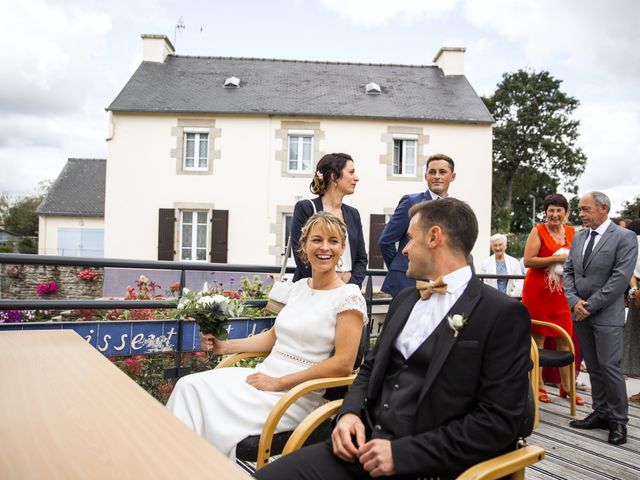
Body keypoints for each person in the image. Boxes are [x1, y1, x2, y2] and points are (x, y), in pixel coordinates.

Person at [254, 198, 531, 480]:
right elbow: (369, 369)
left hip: (429, 467)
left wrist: (403, 455)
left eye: (409, 238)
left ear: (434, 237)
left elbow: (498, 421)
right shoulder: (405, 299)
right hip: (356, 452)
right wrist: (349, 414)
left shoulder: (502, 314)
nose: (405, 249)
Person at [167, 212, 368, 458]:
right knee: (188, 386)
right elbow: (273, 337)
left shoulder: (349, 296)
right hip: (263, 377)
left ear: (342, 248)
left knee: (201, 403)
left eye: (333, 241)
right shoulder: (298, 289)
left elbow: (343, 364)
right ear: (304, 247)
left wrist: (279, 383)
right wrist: (225, 346)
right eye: (317, 240)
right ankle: (179, 465)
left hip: (296, 394)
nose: (325, 247)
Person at [564, 192, 638, 446]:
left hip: (606, 313)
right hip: (580, 313)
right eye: (580, 210)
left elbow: (620, 278)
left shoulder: (625, 237)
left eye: (585, 209)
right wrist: (574, 302)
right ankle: (601, 412)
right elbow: (569, 271)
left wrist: (590, 305)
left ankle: (618, 420)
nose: (580, 214)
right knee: (593, 366)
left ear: (603, 208)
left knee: (610, 367)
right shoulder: (579, 236)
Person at [521, 193, 583, 405]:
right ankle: (537, 386)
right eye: (551, 210)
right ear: (545, 212)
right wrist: (557, 258)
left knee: (564, 340)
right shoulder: (537, 230)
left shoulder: (572, 231)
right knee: (537, 340)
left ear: (566, 212)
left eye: (559, 210)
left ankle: (566, 387)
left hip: (563, 294)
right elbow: (528, 261)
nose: (555, 214)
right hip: (539, 293)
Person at [378, 153, 456, 296]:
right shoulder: (411, 202)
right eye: (432, 172)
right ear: (426, 176)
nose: (437, 176)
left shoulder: (454, 209)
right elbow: (386, 241)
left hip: (440, 284)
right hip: (405, 284)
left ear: (452, 176)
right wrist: (400, 268)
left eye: (442, 172)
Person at [290, 153, 368, 287]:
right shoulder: (306, 208)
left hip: (347, 288)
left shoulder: (353, 214)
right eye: (351, 172)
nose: (356, 178)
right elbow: (300, 253)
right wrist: (327, 284)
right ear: (334, 176)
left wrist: (351, 286)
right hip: (315, 289)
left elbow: (361, 258)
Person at [622, 218, 640, 402]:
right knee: (637, 338)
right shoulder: (635, 240)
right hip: (637, 293)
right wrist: (635, 292)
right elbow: (631, 269)